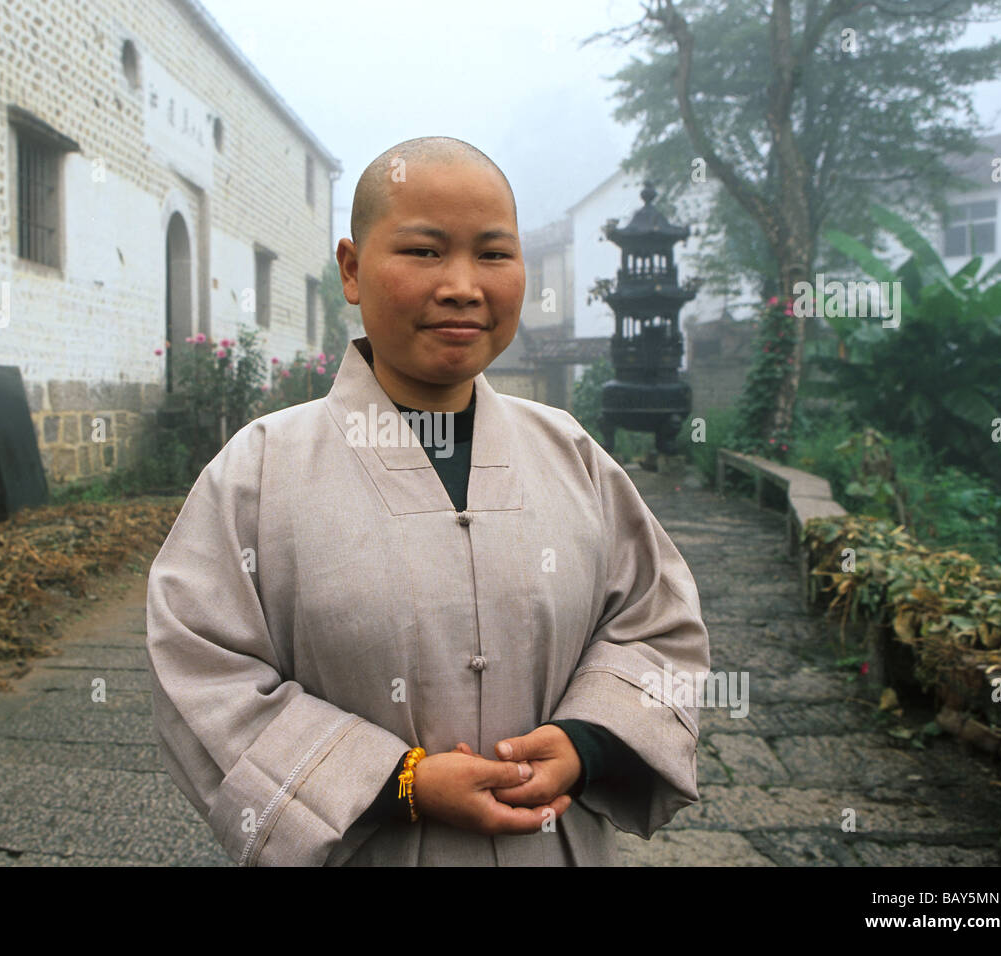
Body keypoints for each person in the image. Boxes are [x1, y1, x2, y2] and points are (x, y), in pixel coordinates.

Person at [145, 136, 711, 866]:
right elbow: (201, 670)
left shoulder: (570, 455)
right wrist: (398, 782)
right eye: (423, 251)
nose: (463, 286)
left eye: (493, 254)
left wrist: (585, 742)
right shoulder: (259, 472)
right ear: (351, 270)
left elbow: (657, 626)